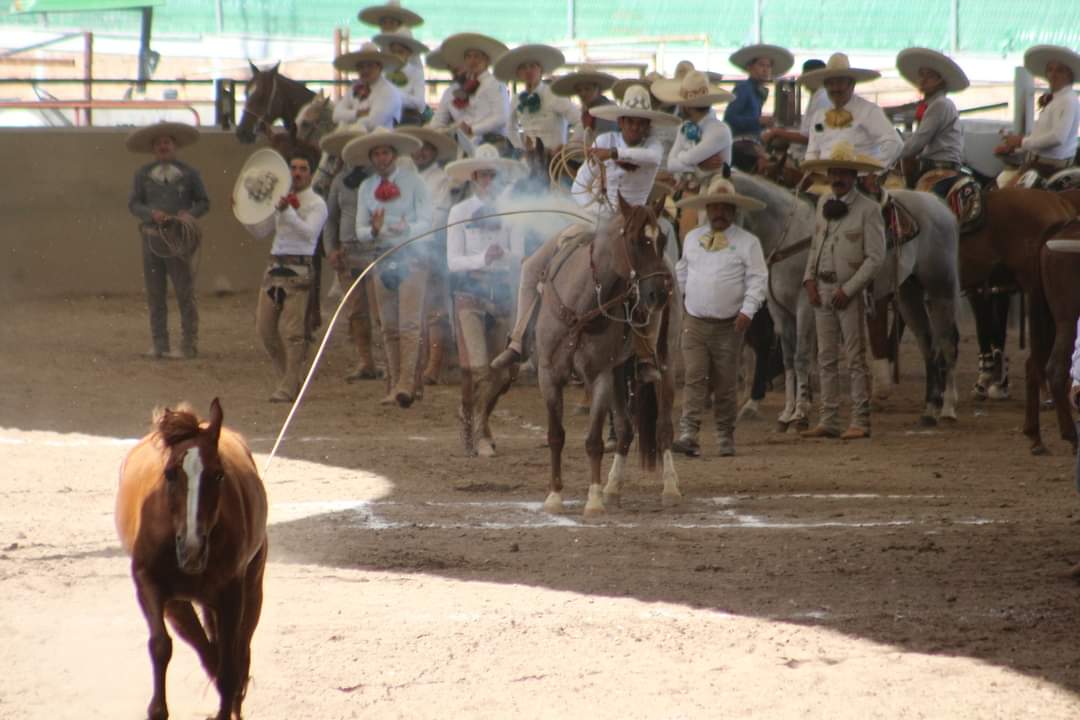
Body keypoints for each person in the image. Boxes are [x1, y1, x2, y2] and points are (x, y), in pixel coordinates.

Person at [489, 84, 679, 374]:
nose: (636, 127)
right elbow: (579, 188)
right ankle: (518, 341)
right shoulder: (605, 139)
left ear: (647, 126)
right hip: (595, 222)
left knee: (662, 277)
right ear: (621, 121)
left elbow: (650, 159)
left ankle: (648, 352)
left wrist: (613, 154)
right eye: (630, 121)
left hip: (637, 227)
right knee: (531, 268)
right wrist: (597, 200)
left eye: (641, 123)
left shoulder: (649, 146)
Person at [671, 175, 768, 458]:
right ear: (707, 209)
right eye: (715, 207)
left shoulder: (748, 242)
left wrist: (748, 311)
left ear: (734, 211)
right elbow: (681, 272)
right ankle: (689, 432)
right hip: (695, 320)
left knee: (725, 383)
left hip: (729, 324)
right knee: (694, 376)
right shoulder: (692, 238)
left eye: (726, 208)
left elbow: (758, 279)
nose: (720, 213)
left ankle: (725, 434)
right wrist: (679, 303)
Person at [799, 143, 886, 439]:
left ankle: (861, 419)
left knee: (855, 356)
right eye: (834, 172)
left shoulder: (869, 209)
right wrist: (808, 279)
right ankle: (829, 418)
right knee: (825, 356)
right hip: (821, 288)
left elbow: (875, 257)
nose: (837, 178)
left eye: (843, 173)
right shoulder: (823, 203)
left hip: (847, 292)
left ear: (854, 176)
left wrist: (849, 289)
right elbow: (816, 244)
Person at [343, 128, 432, 408]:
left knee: (408, 323)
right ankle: (396, 383)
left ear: (394, 155)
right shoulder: (366, 187)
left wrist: (407, 228)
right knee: (388, 325)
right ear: (372, 158)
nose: (381, 158)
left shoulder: (415, 182)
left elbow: (428, 222)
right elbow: (359, 230)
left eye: (385, 152)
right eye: (376, 153)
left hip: (411, 255)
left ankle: (406, 383)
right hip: (382, 256)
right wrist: (374, 229)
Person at [444, 145, 524, 456]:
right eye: (483, 175)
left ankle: (474, 419)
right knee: (477, 369)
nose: (488, 180)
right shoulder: (459, 212)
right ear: (474, 177)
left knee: (501, 374)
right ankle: (480, 432)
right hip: (469, 294)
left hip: (500, 295)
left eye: (493, 174)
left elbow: (519, 255)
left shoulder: (513, 211)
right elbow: (453, 261)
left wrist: (504, 255)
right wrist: (482, 257)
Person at [126, 121, 209, 360]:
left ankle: (188, 343)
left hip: (178, 239)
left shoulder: (190, 174)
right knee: (155, 292)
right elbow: (134, 203)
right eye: (159, 143)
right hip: (151, 239)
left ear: (175, 146)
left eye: (167, 142)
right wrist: (150, 214)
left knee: (184, 291)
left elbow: (204, 201)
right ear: (153, 148)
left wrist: (188, 215)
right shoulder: (142, 175)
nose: (163, 147)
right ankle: (159, 343)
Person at [255, 151, 328, 403]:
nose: (297, 173)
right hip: (274, 267)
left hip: (298, 270)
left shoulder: (317, 203)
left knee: (294, 332)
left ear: (310, 173)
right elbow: (262, 231)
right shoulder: (281, 200)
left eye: (302, 169)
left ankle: (288, 384)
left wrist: (286, 213)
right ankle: (289, 379)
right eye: (293, 168)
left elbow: (310, 234)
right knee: (265, 330)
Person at [398, 126, 459, 384]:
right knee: (414, 310)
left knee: (434, 309)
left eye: (426, 148)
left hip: (432, 247)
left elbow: (437, 219)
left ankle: (433, 364)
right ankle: (420, 362)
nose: (420, 152)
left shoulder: (442, 180)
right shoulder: (404, 179)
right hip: (408, 248)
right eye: (417, 148)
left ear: (434, 152)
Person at [321, 126, 381, 382]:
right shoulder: (338, 182)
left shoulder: (378, 180)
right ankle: (366, 360)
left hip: (375, 250)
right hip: (348, 251)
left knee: (380, 310)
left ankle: (387, 361)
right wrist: (330, 249)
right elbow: (330, 219)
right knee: (356, 310)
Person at [802, 53, 902, 169]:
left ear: (852, 84)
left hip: (858, 178)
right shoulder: (818, 117)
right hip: (826, 179)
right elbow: (812, 151)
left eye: (840, 82)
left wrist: (873, 169)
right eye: (830, 83)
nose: (835, 88)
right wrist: (814, 173)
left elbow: (895, 144)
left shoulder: (869, 111)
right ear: (825, 86)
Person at [995, 45, 1080, 177]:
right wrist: (1018, 147)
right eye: (1050, 70)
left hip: (1047, 168)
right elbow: (1047, 137)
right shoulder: (1061, 99)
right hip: (1043, 164)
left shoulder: (1066, 100)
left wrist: (1021, 142)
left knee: (1002, 194)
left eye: (1059, 71)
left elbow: (1057, 137)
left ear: (1069, 75)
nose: (1053, 75)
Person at [895, 47, 968, 190]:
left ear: (939, 80)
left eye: (929, 76)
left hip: (940, 170)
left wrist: (890, 152)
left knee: (915, 206)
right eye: (921, 75)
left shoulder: (939, 104)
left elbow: (917, 143)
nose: (922, 80)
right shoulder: (939, 104)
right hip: (941, 167)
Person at [430, 33, 512, 154]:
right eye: (468, 57)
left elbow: (501, 116)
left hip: (493, 141)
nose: (472, 60)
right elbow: (441, 120)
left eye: (477, 56)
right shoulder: (463, 87)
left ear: (487, 60)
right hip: (467, 142)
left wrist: (473, 129)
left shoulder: (495, 82)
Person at [492, 43, 579, 155]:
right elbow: (510, 129)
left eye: (533, 66)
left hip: (555, 160)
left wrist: (568, 148)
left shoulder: (554, 94)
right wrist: (520, 150)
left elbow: (579, 121)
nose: (528, 71)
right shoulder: (516, 99)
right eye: (523, 68)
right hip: (531, 161)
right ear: (518, 74)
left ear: (541, 70)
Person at [651, 70, 734, 176]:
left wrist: (680, 156)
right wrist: (698, 166)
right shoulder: (685, 127)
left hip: (713, 189)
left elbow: (689, 158)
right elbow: (671, 165)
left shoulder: (719, 130)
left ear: (687, 106)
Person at [761, 58, 830, 162]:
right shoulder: (818, 97)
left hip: (808, 156)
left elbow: (811, 137)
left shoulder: (822, 99)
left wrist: (777, 132)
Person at [724, 44, 795, 140]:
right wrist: (758, 121)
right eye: (761, 65)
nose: (765, 70)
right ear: (750, 67)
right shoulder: (743, 89)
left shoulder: (756, 90)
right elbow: (730, 119)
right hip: (741, 143)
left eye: (769, 66)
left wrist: (763, 123)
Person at [331, 43, 404, 131]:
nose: (365, 70)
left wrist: (348, 119)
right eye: (361, 67)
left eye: (370, 65)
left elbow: (373, 122)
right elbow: (336, 115)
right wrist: (357, 113)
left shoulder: (389, 92)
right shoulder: (354, 89)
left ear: (380, 67)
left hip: (381, 142)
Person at [373, 28, 430, 125]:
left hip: (409, 119)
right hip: (385, 118)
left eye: (400, 52)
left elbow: (420, 104)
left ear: (409, 53)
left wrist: (393, 95)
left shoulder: (416, 73)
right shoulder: (383, 73)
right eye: (393, 52)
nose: (396, 56)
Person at [550, 64, 619, 139]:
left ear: (598, 90)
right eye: (579, 90)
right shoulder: (588, 112)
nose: (583, 93)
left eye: (587, 89)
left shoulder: (606, 112)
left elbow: (604, 144)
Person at [357, 0, 423, 33]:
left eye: (392, 23)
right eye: (383, 23)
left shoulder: (407, 44)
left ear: (399, 25)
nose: (387, 26)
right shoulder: (381, 45)